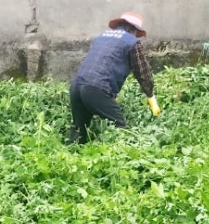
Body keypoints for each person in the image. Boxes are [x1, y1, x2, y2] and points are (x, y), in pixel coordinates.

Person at [67, 12, 161, 144]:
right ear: (133, 29)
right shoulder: (131, 42)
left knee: (79, 131)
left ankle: (70, 159)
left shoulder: (100, 37)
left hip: (76, 87)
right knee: (120, 128)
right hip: (96, 89)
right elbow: (143, 72)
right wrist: (151, 96)